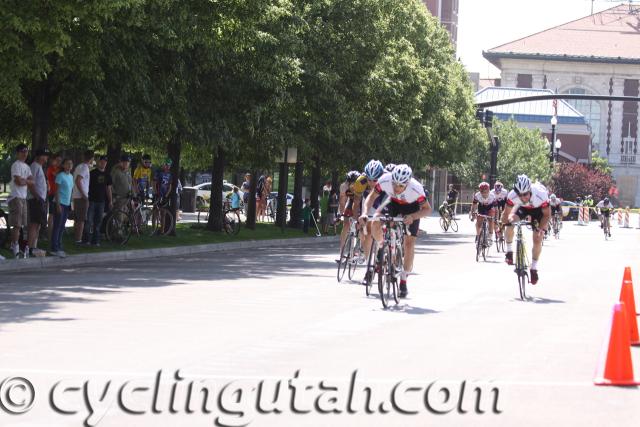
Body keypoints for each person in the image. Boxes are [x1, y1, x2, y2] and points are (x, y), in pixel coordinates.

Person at [360, 164, 432, 298]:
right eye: (394, 184)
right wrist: (364, 213)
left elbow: (428, 209)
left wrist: (413, 217)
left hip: (411, 207)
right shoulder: (385, 180)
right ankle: (382, 247)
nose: (396, 188)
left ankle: (403, 280)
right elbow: (371, 197)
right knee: (375, 221)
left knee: (409, 243)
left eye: (400, 186)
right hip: (392, 202)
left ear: (407, 183)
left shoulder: (416, 189)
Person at [501, 175, 550, 285]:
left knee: (537, 238)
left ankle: (533, 268)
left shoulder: (540, 194)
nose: (523, 198)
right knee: (509, 223)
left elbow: (547, 215)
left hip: (539, 211)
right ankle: (509, 252)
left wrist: (541, 229)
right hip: (522, 209)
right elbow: (506, 214)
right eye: (520, 195)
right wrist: (504, 224)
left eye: (525, 194)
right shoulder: (512, 196)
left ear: (530, 190)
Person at [359, 159, 385, 285]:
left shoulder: (387, 184)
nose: (372, 183)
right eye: (369, 179)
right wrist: (361, 217)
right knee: (367, 233)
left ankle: (388, 253)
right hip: (372, 205)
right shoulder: (363, 186)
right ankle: (369, 269)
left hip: (386, 205)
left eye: (375, 180)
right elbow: (361, 204)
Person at [7, 143, 33, 258]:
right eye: (22, 151)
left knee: (24, 224)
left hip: (23, 197)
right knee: (17, 224)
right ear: (17, 153)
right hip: (16, 196)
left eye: (26, 151)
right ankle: (15, 246)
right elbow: (18, 182)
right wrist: (26, 181)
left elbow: (33, 181)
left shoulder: (27, 167)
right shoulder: (16, 165)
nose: (25, 153)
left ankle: (22, 247)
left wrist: (25, 181)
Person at [83, 155, 113, 246]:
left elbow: (109, 189)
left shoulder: (108, 175)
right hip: (91, 200)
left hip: (101, 202)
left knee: (98, 222)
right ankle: (86, 240)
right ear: (98, 162)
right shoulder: (92, 173)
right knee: (88, 221)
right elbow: (86, 185)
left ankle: (96, 241)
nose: (103, 163)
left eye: (105, 162)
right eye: (102, 161)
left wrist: (110, 200)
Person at [27, 148, 50, 256]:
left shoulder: (39, 167)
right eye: (44, 155)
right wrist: (37, 196)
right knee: (34, 224)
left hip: (41, 199)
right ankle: (30, 247)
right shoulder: (34, 166)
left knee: (38, 224)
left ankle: (34, 246)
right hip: (35, 199)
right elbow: (31, 184)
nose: (46, 158)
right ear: (39, 156)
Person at [50, 158, 74, 258]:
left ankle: (59, 244)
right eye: (67, 163)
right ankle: (54, 246)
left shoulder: (71, 176)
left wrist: (71, 204)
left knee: (62, 225)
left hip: (67, 204)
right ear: (63, 165)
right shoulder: (60, 176)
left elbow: (71, 190)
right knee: (57, 225)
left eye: (71, 164)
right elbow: (56, 191)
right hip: (60, 203)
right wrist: (58, 205)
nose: (69, 165)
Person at [72, 150, 94, 244]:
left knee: (78, 219)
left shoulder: (79, 166)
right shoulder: (84, 168)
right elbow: (78, 181)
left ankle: (76, 238)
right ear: (92, 158)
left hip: (76, 195)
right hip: (81, 197)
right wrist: (84, 195)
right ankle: (78, 240)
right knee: (81, 220)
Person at [338, 170, 365, 248]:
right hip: (351, 202)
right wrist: (341, 214)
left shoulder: (362, 185)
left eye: (354, 184)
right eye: (351, 183)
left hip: (361, 203)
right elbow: (342, 201)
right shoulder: (344, 186)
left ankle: (361, 248)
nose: (353, 186)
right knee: (346, 225)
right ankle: (341, 250)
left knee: (361, 226)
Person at [471, 182, 497, 246]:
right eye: (483, 192)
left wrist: (496, 218)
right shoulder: (477, 195)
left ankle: (490, 237)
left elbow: (496, 209)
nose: (484, 194)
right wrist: (473, 214)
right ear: (480, 191)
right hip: (481, 207)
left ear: (488, 191)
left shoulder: (492, 196)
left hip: (490, 208)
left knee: (491, 221)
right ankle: (478, 235)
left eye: (486, 192)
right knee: (478, 223)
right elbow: (474, 205)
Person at [46, 153, 62, 241]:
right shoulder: (51, 169)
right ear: (53, 160)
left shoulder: (60, 169)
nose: (59, 162)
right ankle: (49, 236)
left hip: (60, 194)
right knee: (51, 215)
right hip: (52, 193)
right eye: (57, 160)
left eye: (60, 161)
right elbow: (55, 174)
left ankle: (56, 235)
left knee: (59, 215)